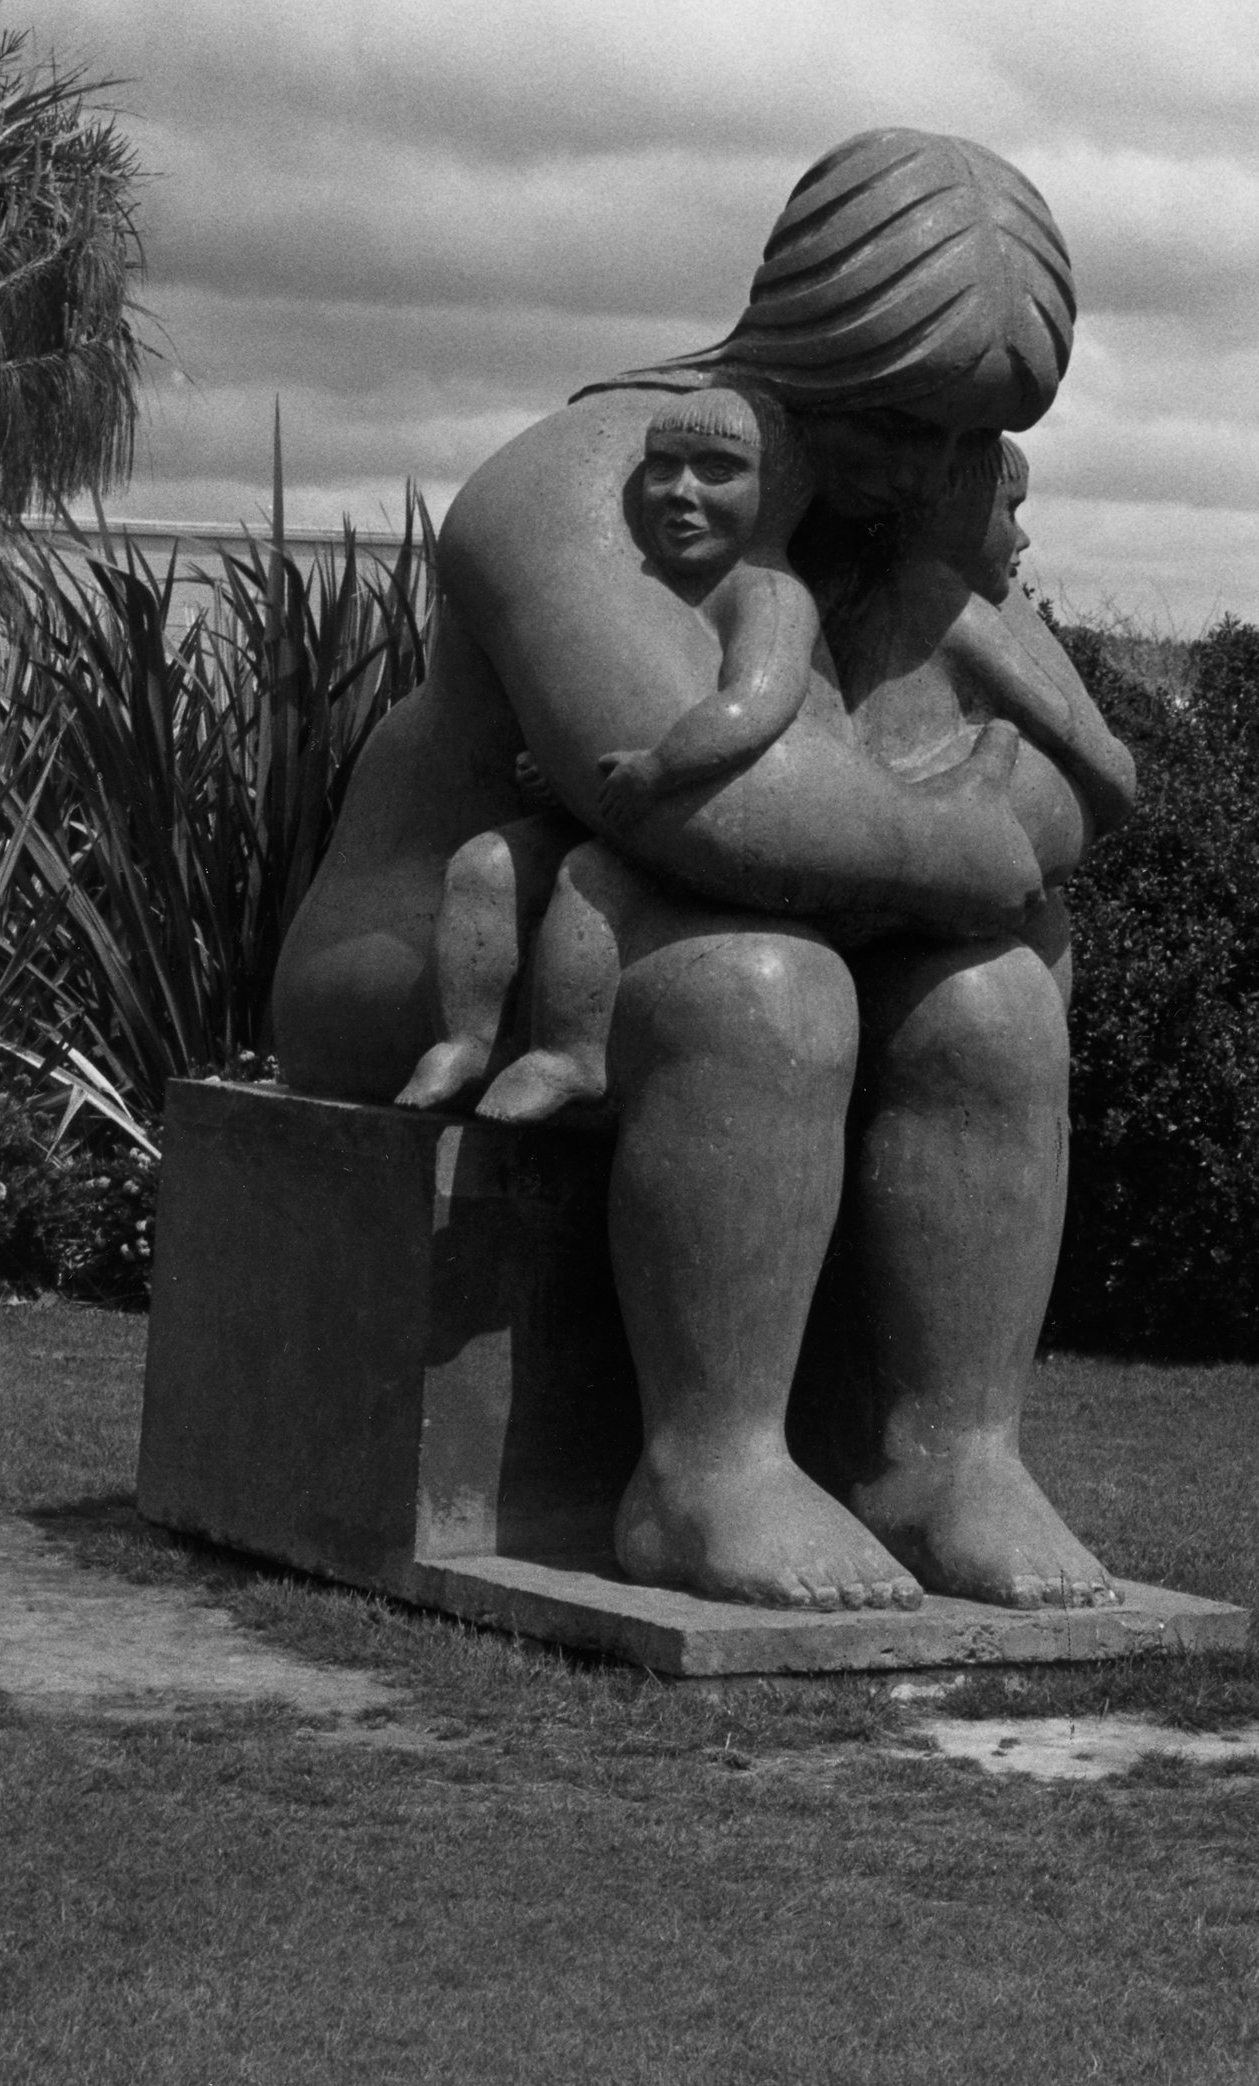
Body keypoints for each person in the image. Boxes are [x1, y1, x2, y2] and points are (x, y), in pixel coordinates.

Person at [273, 127, 1135, 1615]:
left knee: (992, 1002)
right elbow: (709, 811)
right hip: (441, 945)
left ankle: (951, 1458)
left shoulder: (911, 486)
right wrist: (959, 841)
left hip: (692, 915)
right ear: (814, 346)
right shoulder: (587, 482)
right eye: (903, 425)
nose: (937, 475)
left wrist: (928, 847)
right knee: (758, 979)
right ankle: (706, 1472)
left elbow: (1061, 771)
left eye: (970, 438)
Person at [394, 383, 828, 1122]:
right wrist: (559, 774)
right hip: (629, 804)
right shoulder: (643, 586)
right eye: (663, 467)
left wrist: (660, 766)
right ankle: (465, 1042)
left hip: (716, 815)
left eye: (718, 471)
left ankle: (569, 1054)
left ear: (777, 494)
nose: (681, 493)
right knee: (485, 864)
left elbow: (755, 706)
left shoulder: (770, 595)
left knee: (588, 879)